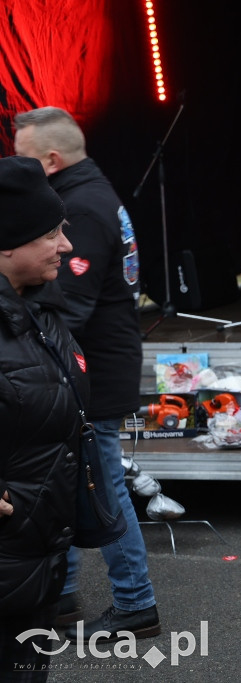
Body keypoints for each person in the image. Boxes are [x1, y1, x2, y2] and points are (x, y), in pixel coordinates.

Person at [13, 107, 159, 642]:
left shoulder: (81, 209)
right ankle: (62, 595)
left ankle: (135, 602)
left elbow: (66, 308)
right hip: (92, 365)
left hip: (91, 370)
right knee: (73, 481)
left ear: (50, 159)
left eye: (23, 157)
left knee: (103, 488)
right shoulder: (87, 196)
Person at [0, 156, 84, 680]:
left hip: (38, 560)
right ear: (7, 243)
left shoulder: (41, 313)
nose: (67, 246)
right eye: (51, 234)